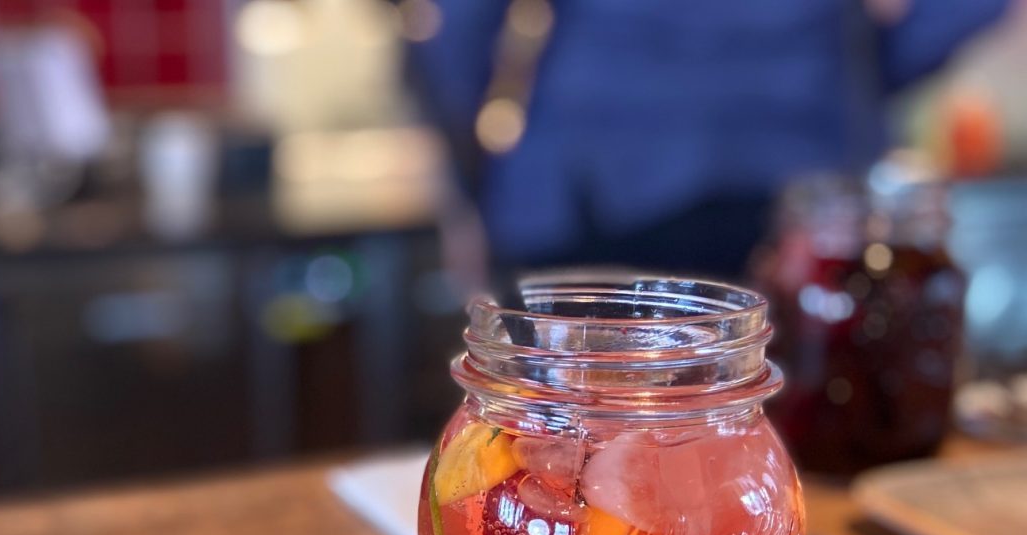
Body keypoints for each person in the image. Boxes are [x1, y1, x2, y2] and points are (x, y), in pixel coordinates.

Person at [408, 0, 1010, 288]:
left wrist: (472, 187)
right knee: (785, 439)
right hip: (803, 177)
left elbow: (456, 30)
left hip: (606, 169)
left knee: (583, 450)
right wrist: (854, 74)